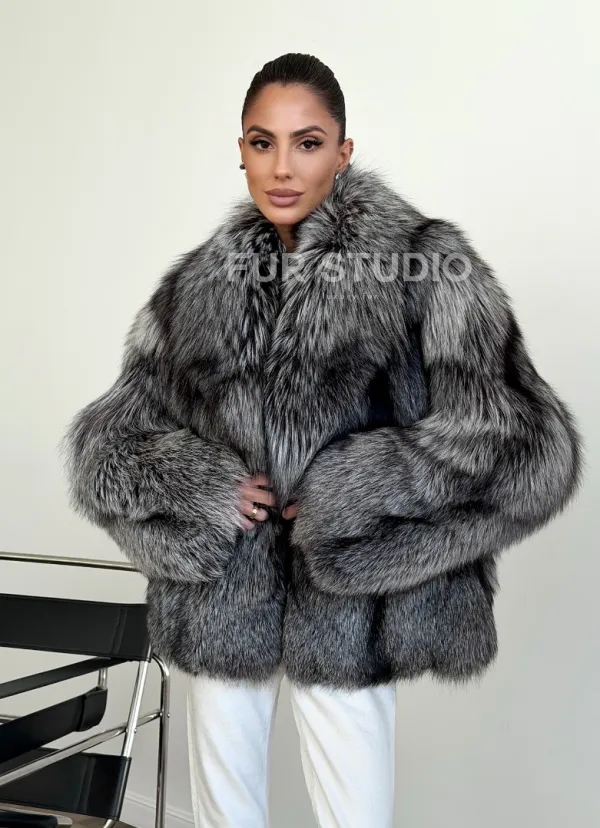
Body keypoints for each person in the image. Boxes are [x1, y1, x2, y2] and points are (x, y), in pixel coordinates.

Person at [59, 52, 583, 828]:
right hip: (225, 592)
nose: (282, 167)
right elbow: (107, 442)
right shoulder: (196, 286)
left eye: (307, 143)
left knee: (352, 808)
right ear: (240, 151)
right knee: (223, 804)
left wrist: (354, 489)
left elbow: (525, 444)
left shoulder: (426, 267)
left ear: (343, 151)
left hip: (351, 598)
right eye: (261, 142)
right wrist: (203, 485)